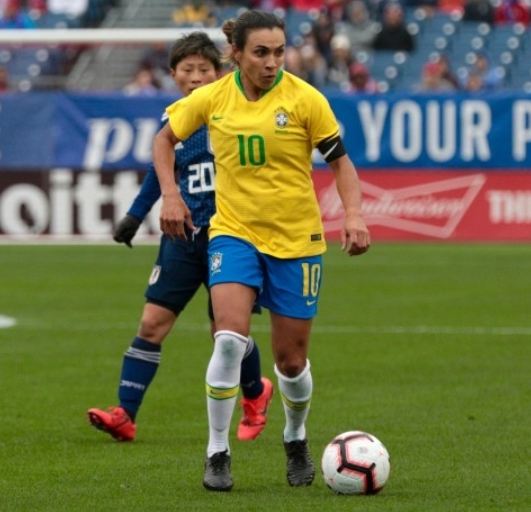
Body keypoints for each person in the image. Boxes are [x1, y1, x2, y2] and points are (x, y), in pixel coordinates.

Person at [151, 10, 371, 492]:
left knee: (290, 363)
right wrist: (170, 194)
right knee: (228, 338)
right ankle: (217, 451)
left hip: (296, 241)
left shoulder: (305, 99)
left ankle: (295, 436)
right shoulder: (212, 98)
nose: (272, 62)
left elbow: (342, 163)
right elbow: (164, 139)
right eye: (261, 53)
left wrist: (353, 214)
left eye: (278, 52)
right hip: (232, 233)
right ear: (236, 54)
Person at [87, 31, 274, 444]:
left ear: (219, 72)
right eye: (186, 70)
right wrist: (135, 216)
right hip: (183, 237)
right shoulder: (174, 121)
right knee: (152, 323)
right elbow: (161, 170)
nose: (194, 78)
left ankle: (255, 392)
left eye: (203, 70)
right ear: (173, 74)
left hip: (233, 236)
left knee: (225, 333)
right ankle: (125, 413)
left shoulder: (238, 113)